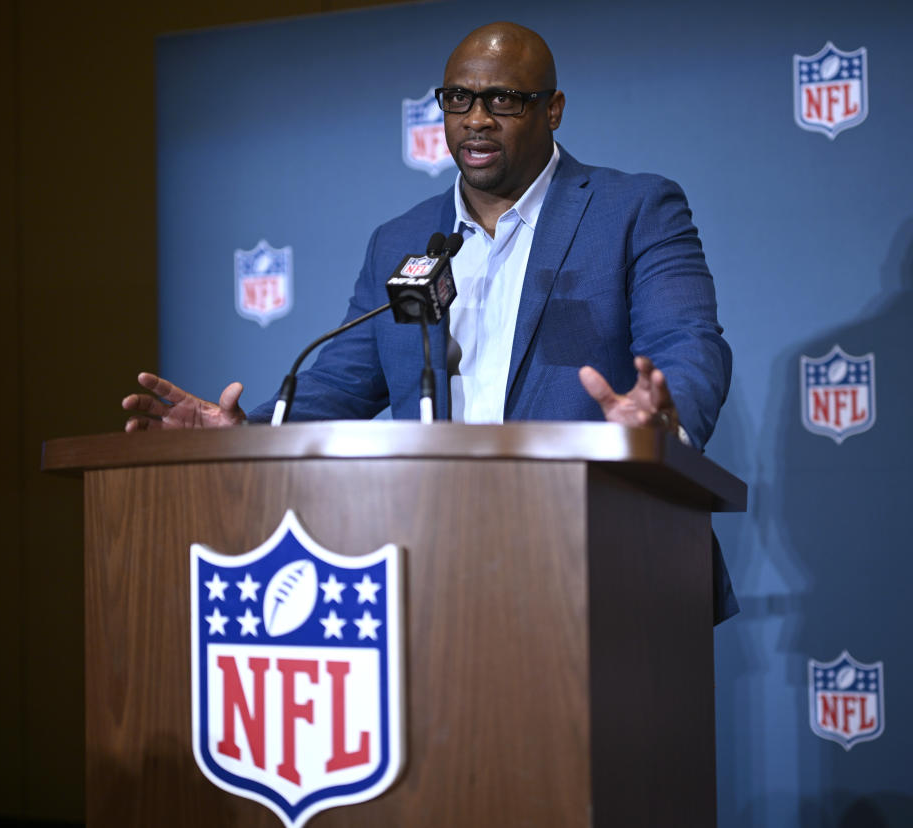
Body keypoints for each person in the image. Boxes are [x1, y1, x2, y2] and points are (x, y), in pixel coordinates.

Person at [123, 21, 737, 620]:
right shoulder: (404, 238)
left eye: (503, 99)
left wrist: (661, 426)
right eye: (458, 99)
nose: (476, 118)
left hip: (604, 554)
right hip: (437, 561)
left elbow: (687, 342)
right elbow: (340, 383)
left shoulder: (633, 210)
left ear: (552, 110)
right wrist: (245, 434)